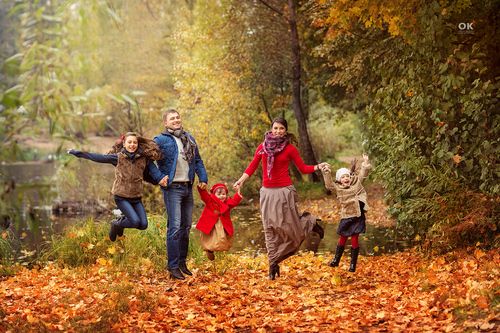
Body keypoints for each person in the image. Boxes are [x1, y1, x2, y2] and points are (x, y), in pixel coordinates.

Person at [233, 117, 327, 280]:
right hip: (267, 193)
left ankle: (310, 223)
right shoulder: (262, 147)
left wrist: (318, 166)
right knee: (270, 228)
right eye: (275, 128)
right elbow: (253, 165)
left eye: (281, 129)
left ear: (285, 131)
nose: (277, 131)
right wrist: (241, 180)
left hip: (284, 192)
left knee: (289, 229)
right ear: (271, 129)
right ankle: (272, 264)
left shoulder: (290, 149)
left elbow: (303, 169)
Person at [67, 132, 168, 241]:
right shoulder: (118, 158)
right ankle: (116, 224)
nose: (132, 145)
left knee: (143, 225)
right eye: (129, 142)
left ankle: (120, 223)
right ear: (124, 144)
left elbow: (149, 175)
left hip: (136, 198)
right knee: (135, 222)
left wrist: (160, 181)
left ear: (138, 144)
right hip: (121, 197)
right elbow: (97, 157)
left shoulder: (143, 159)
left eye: (135, 142)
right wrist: (78, 153)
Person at [154, 109, 208, 280]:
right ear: (165, 123)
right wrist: (158, 177)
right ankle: (173, 266)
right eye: (172, 118)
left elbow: (197, 160)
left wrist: (203, 177)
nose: (176, 120)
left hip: (187, 186)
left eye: (177, 117)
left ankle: (182, 263)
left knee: (185, 227)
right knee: (175, 227)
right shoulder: (160, 140)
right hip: (172, 189)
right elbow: (147, 161)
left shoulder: (189, 138)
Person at [321, 154, 372, 272]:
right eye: (343, 177)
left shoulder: (355, 185)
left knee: (354, 238)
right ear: (339, 180)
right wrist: (327, 172)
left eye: (347, 176)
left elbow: (362, 176)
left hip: (357, 216)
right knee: (343, 238)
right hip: (346, 217)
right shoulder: (338, 189)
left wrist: (365, 164)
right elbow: (329, 185)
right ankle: (336, 260)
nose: (346, 178)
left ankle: (353, 264)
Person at [195, 183, 242, 261]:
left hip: (223, 224)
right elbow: (204, 195)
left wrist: (238, 193)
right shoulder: (210, 200)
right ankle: (209, 250)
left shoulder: (227, 202)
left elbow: (234, 202)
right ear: (214, 194)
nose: (221, 196)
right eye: (219, 194)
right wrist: (201, 188)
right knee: (211, 239)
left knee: (222, 239)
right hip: (211, 224)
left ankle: (220, 250)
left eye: (223, 194)